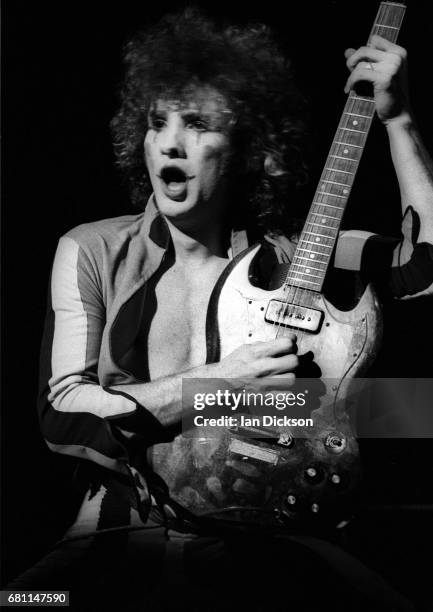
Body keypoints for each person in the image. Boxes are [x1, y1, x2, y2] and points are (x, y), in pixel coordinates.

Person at [8, 8, 433, 611]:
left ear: (254, 151)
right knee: (26, 602)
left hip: (276, 532)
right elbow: (62, 415)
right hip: (123, 527)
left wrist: (399, 119)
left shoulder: (300, 258)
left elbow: (424, 272)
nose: (170, 143)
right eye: (158, 122)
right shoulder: (91, 248)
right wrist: (220, 388)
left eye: (199, 123)